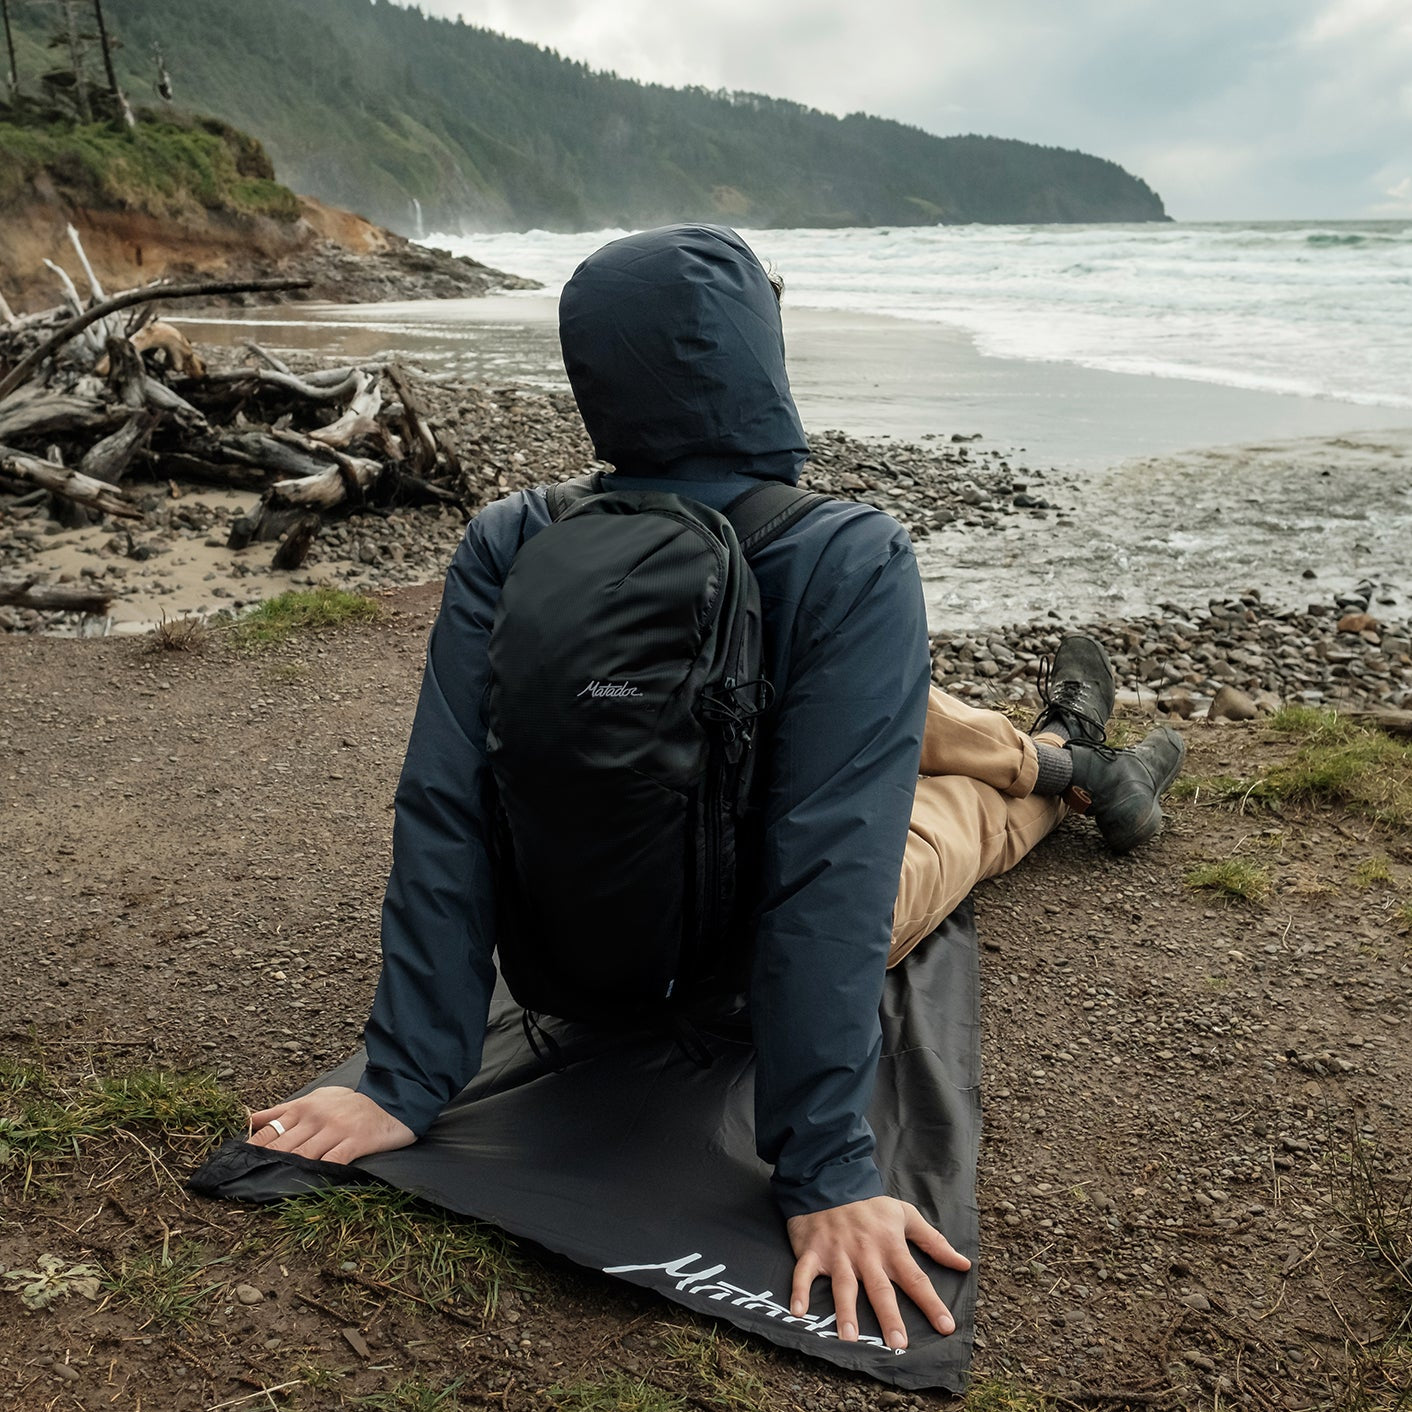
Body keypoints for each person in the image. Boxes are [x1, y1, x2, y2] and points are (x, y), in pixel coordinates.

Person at [248, 225, 1184, 1353]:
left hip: (573, 960)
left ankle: (1062, 748)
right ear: (754, 358)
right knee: (952, 812)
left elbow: (446, 805)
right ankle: (1068, 763)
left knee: (881, 706)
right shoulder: (849, 552)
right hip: (736, 978)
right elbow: (832, 861)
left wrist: (404, 1079)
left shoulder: (507, 539)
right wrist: (825, 1163)